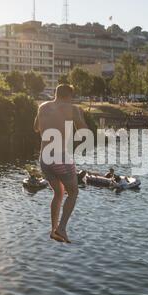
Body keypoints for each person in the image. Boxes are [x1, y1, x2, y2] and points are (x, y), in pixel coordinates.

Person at [34, 85, 88, 244]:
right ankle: (62, 228)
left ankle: (53, 230)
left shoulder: (42, 107)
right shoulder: (73, 109)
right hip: (60, 158)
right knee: (73, 192)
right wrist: (81, 116)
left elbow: (36, 128)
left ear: (56, 94)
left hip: (44, 158)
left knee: (58, 193)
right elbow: (84, 132)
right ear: (69, 95)